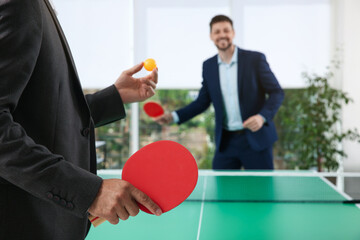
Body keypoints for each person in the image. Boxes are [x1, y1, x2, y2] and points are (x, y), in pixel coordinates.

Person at [0, 1, 162, 239]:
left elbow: (44, 113)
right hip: (27, 223)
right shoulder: (19, 4)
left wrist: (113, 97)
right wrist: (89, 192)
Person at [155, 15, 284, 170]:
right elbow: (202, 102)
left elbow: (277, 92)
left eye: (226, 30)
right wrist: (173, 116)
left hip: (256, 139)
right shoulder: (208, 66)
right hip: (226, 142)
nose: (222, 35)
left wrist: (262, 117)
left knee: (261, 192)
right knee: (222, 192)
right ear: (211, 36)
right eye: (217, 32)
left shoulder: (255, 59)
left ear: (233, 33)